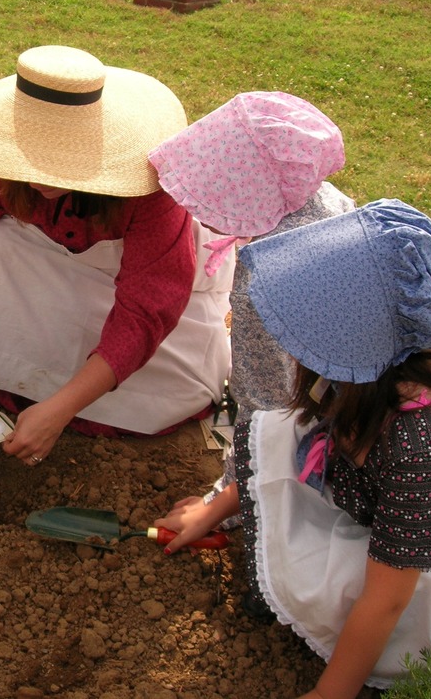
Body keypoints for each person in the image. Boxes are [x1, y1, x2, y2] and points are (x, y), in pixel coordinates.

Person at [154, 200, 431, 696]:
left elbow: (388, 598)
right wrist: (211, 510)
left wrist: (333, 690)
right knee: (280, 431)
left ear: (353, 340)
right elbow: (298, 439)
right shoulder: (354, 378)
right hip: (376, 502)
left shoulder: (429, 445)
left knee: (350, 597)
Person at [0, 45, 235, 465]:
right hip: (48, 285)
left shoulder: (151, 192)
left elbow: (146, 312)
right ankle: (16, 379)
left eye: (60, 161)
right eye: (31, 160)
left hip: (134, 305)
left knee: (162, 395)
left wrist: (61, 408)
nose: (42, 176)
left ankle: (63, 396)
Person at [148, 91, 356, 522]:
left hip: (345, 445)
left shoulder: (265, 285)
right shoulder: (324, 204)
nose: (190, 206)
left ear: (244, 200)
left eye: (206, 195)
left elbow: (268, 411)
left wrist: (221, 505)